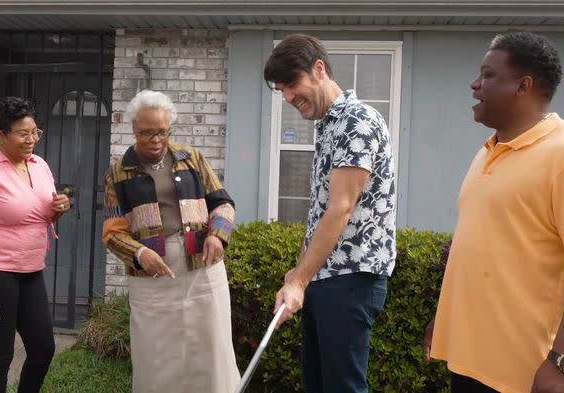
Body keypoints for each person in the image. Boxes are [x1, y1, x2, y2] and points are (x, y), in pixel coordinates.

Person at [423, 32, 564, 393]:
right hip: (470, 361)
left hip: (524, 374)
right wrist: (445, 316)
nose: (474, 85)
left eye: (487, 75)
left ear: (523, 86)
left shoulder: (559, 155)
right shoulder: (487, 151)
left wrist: (559, 364)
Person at [264, 34, 396, 393]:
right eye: (282, 91)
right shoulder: (329, 125)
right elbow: (322, 211)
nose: (289, 97)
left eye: (292, 84)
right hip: (325, 279)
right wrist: (298, 271)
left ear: (318, 70)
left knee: (342, 388)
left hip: (350, 279)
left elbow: (341, 208)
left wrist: (299, 281)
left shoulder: (358, 121)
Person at [101, 89, 240, 393]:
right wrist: (139, 253)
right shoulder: (118, 173)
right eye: (147, 132)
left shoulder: (191, 158)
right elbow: (112, 231)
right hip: (152, 272)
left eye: (162, 131)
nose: (155, 139)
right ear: (133, 129)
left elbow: (224, 203)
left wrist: (217, 234)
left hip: (201, 265)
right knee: (157, 354)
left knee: (210, 347)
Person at [0, 97, 70, 393]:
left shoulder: (39, 165)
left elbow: (41, 213)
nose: (31, 140)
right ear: (1, 136)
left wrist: (59, 208)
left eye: (35, 132)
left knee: (43, 349)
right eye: (23, 134)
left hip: (30, 271)